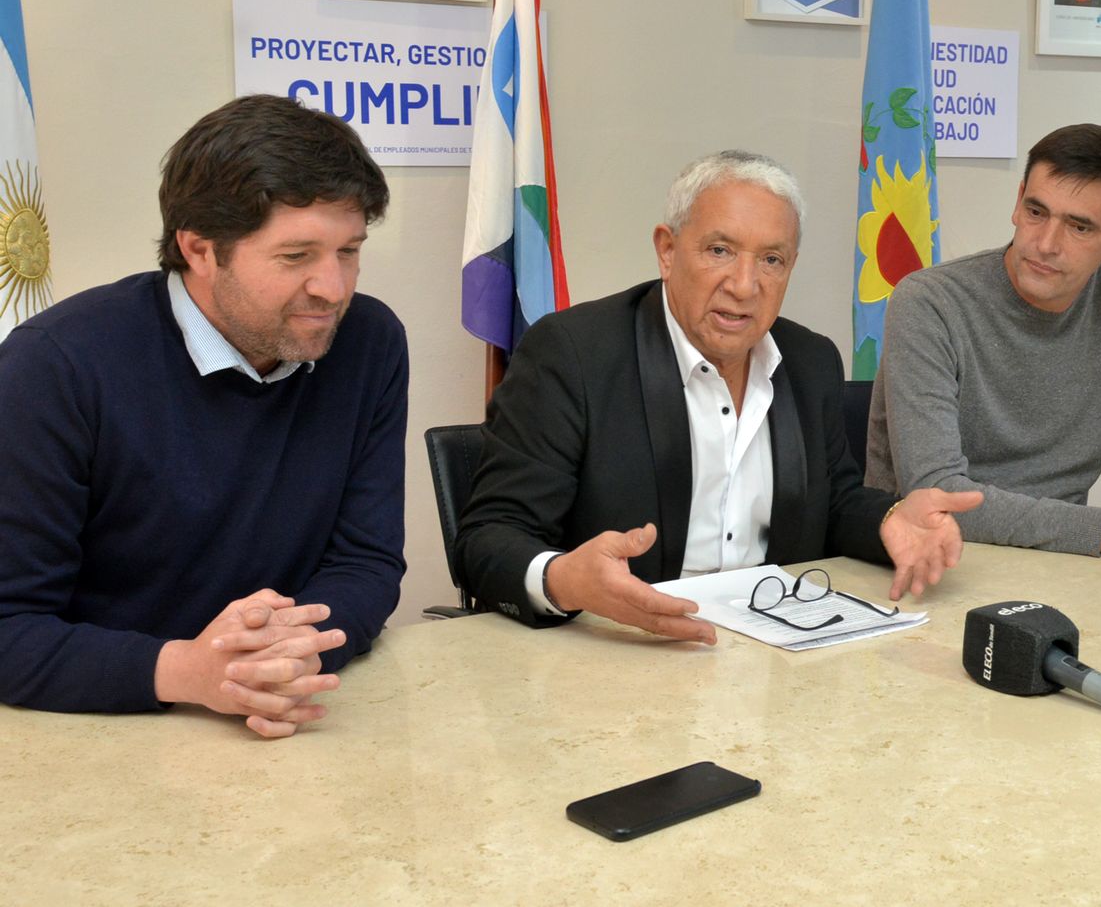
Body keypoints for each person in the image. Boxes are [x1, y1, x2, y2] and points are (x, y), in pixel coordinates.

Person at [0, 95, 408, 737]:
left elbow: (366, 563)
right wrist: (192, 672)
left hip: (287, 712)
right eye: (295, 256)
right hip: (96, 730)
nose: (333, 288)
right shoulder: (54, 367)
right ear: (198, 249)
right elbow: (10, 628)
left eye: (349, 250)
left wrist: (286, 657)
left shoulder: (368, 342)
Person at [457, 151, 981, 642]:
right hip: (622, 651)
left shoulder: (810, 361)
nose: (745, 284)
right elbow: (488, 537)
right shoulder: (574, 354)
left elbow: (832, 501)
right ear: (667, 250)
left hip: (775, 658)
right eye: (719, 250)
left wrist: (889, 520)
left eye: (771, 259)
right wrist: (564, 579)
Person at [865, 124, 1101, 564]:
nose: (1046, 244)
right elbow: (937, 493)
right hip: (936, 563)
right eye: (1036, 212)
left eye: (1079, 227)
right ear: (1017, 200)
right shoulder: (928, 301)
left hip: (1064, 564)